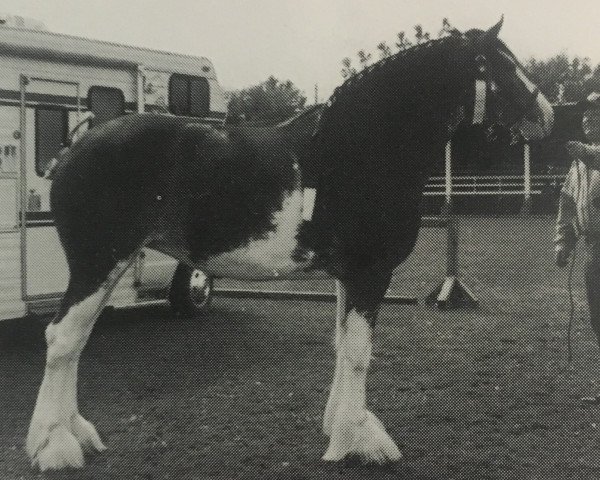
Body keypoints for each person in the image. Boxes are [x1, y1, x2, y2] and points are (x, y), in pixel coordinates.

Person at [556, 93, 600, 352]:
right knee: (598, 318)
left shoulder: (587, 155)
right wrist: (563, 242)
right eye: (586, 113)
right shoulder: (579, 163)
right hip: (593, 249)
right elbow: (568, 204)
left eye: (597, 112)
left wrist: (585, 152)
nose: (589, 117)